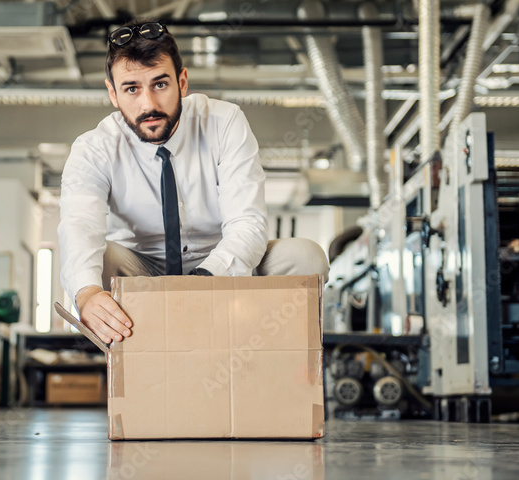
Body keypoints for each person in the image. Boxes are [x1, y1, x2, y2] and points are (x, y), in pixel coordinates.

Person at [58, 21, 329, 344]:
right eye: (132, 89)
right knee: (90, 266)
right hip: (142, 269)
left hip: (220, 264)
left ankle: (272, 359)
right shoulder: (93, 148)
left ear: (182, 82)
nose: (148, 104)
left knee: (306, 258)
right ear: (113, 94)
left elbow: (247, 224)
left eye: (160, 85)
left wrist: (204, 283)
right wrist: (87, 294)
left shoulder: (224, 122)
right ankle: (134, 361)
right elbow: (79, 226)